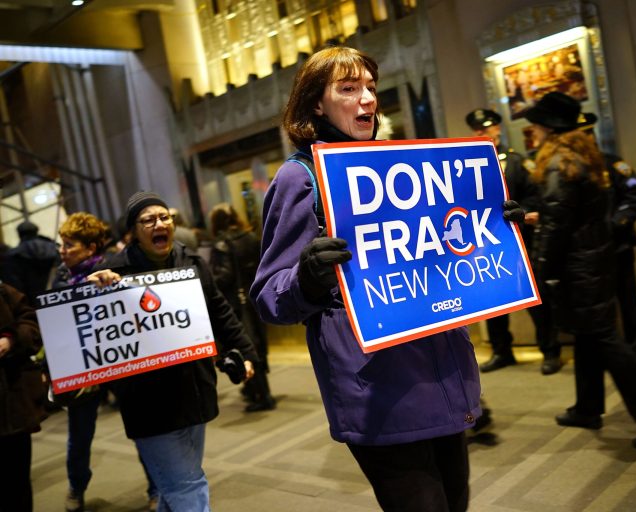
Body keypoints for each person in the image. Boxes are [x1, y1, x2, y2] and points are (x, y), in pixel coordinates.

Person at [251, 46, 524, 511]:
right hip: (378, 389)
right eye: (349, 88)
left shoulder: (402, 166)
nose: (368, 100)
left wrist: (493, 228)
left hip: (446, 378)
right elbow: (269, 297)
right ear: (316, 104)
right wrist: (309, 278)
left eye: (371, 88)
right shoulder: (301, 178)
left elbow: (440, 253)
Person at [526, 92, 636, 449]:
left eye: (536, 125)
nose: (532, 131)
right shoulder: (583, 156)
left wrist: (540, 268)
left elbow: (556, 227)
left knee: (605, 339)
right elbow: (568, 215)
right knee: (589, 334)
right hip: (595, 260)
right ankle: (587, 407)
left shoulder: (556, 164)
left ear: (550, 128)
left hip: (578, 267)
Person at [87, 191, 261, 511]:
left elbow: (220, 313)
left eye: (164, 217)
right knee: (188, 486)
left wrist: (246, 354)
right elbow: (89, 326)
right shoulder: (115, 274)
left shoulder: (192, 262)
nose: (160, 223)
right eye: (149, 219)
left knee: (174, 487)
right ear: (133, 231)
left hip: (194, 392)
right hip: (148, 402)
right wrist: (91, 289)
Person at [51, 212, 158, 512]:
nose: (62, 251)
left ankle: (156, 487)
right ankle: (77, 488)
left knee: (140, 428)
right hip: (84, 366)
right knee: (80, 435)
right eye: (62, 245)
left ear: (91, 248)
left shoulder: (113, 268)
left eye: (69, 245)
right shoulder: (60, 275)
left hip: (120, 362)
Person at [465, 108, 562, 375]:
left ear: (497, 130)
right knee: (494, 299)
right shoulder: (466, 166)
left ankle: (550, 351)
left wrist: (522, 212)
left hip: (520, 240)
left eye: (489, 129)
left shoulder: (516, 161)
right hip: (487, 242)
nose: (485, 135)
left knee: (535, 297)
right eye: (479, 131)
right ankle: (501, 350)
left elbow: (535, 195)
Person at [578, 113, 636, 365]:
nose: (586, 139)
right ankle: (612, 359)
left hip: (617, 247)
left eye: (588, 133)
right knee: (598, 311)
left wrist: (615, 223)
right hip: (589, 256)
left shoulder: (614, 165)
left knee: (629, 304)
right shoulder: (573, 172)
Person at [209, 203, 275, 412]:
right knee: (257, 344)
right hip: (256, 298)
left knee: (243, 344)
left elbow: (225, 276)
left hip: (236, 303)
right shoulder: (250, 237)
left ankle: (261, 395)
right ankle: (258, 390)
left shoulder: (221, 244)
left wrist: (210, 281)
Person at [0, 281, 47, 512]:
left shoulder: (4, 291)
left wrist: (11, 340)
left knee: (17, 485)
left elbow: (31, 321)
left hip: (12, 409)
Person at [3, 220, 60, 299]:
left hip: (30, 303)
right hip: (57, 297)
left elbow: (14, 285)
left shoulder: (13, 256)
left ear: (19, 234)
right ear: (36, 231)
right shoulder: (55, 248)